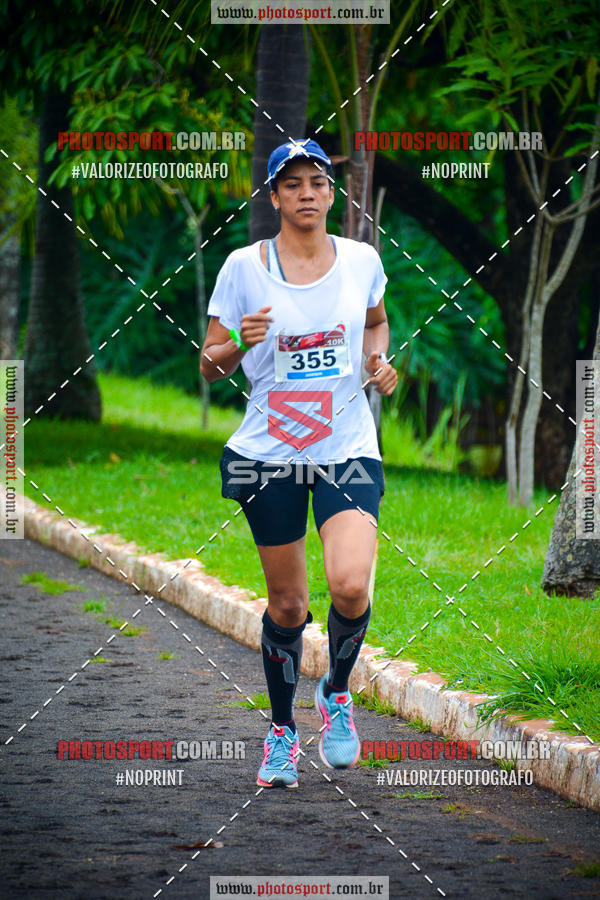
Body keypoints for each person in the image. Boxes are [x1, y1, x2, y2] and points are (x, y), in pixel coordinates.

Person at [200, 138, 397, 788]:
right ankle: (282, 731)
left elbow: (376, 321)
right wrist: (236, 346)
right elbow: (207, 363)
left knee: (350, 586)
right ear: (274, 196)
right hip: (270, 454)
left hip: (346, 447)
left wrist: (376, 361)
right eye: (293, 183)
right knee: (287, 604)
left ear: (330, 193)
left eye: (318, 181)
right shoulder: (242, 268)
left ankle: (336, 691)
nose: (307, 192)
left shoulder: (363, 260)